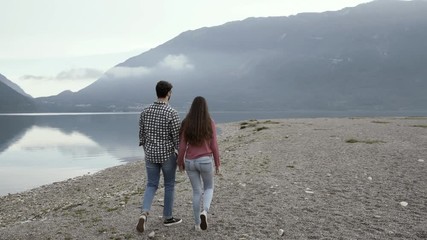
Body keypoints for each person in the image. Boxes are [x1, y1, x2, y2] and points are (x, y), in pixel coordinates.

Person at [136, 80, 182, 233]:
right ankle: (168, 217)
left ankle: (144, 213)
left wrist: (147, 151)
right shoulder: (172, 112)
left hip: (150, 154)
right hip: (167, 155)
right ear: (168, 93)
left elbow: (141, 136)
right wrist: (181, 157)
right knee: (169, 185)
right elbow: (177, 139)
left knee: (151, 184)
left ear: (157, 92)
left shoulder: (145, 111)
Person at [177, 96, 221, 231]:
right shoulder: (210, 122)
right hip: (205, 161)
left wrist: (180, 162)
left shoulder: (187, 122)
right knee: (209, 188)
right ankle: (205, 212)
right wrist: (217, 163)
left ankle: (197, 224)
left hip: (190, 162)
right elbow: (214, 145)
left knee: (196, 192)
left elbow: (182, 145)